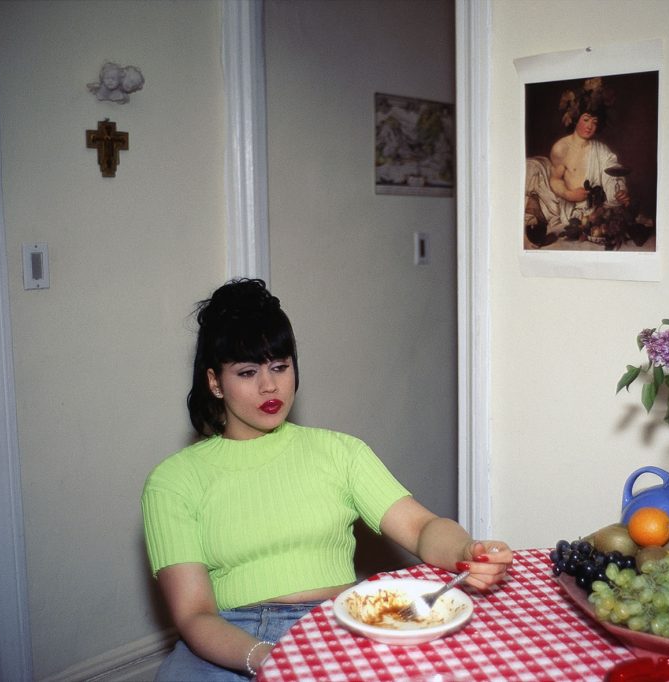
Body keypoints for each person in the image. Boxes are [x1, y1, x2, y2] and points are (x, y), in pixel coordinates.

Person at [141, 279, 513, 680]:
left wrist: (466, 549)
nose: (270, 385)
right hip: (227, 641)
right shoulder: (172, 481)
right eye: (247, 372)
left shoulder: (341, 453)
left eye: (280, 367)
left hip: (334, 624)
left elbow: (422, 528)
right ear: (215, 382)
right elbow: (195, 615)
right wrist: (270, 658)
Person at [525, 79, 631, 246]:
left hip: (594, 212)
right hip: (567, 209)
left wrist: (619, 191)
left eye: (595, 122)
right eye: (586, 119)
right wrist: (569, 194)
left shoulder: (601, 150)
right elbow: (555, 180)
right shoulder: (561, 148)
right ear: (576, 118)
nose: (590, 126)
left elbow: (613, 172)